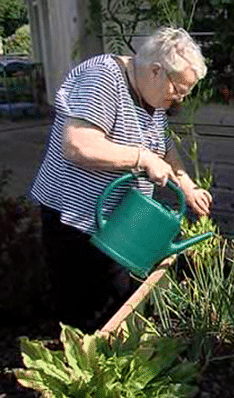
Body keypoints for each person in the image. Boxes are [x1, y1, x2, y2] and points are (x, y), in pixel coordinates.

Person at [29, 27, 213, 332]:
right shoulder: (103, 78)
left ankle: (111, 368)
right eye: (178, 90)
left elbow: (163, 147)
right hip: (77, 222)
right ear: (156, 71)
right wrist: (142, 158)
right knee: (87, 317)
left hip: (118, 224)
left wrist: (188, 187)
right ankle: (84, 375)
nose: (180, 99)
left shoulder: (153, 99)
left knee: (117, 306)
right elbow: (79, 145)